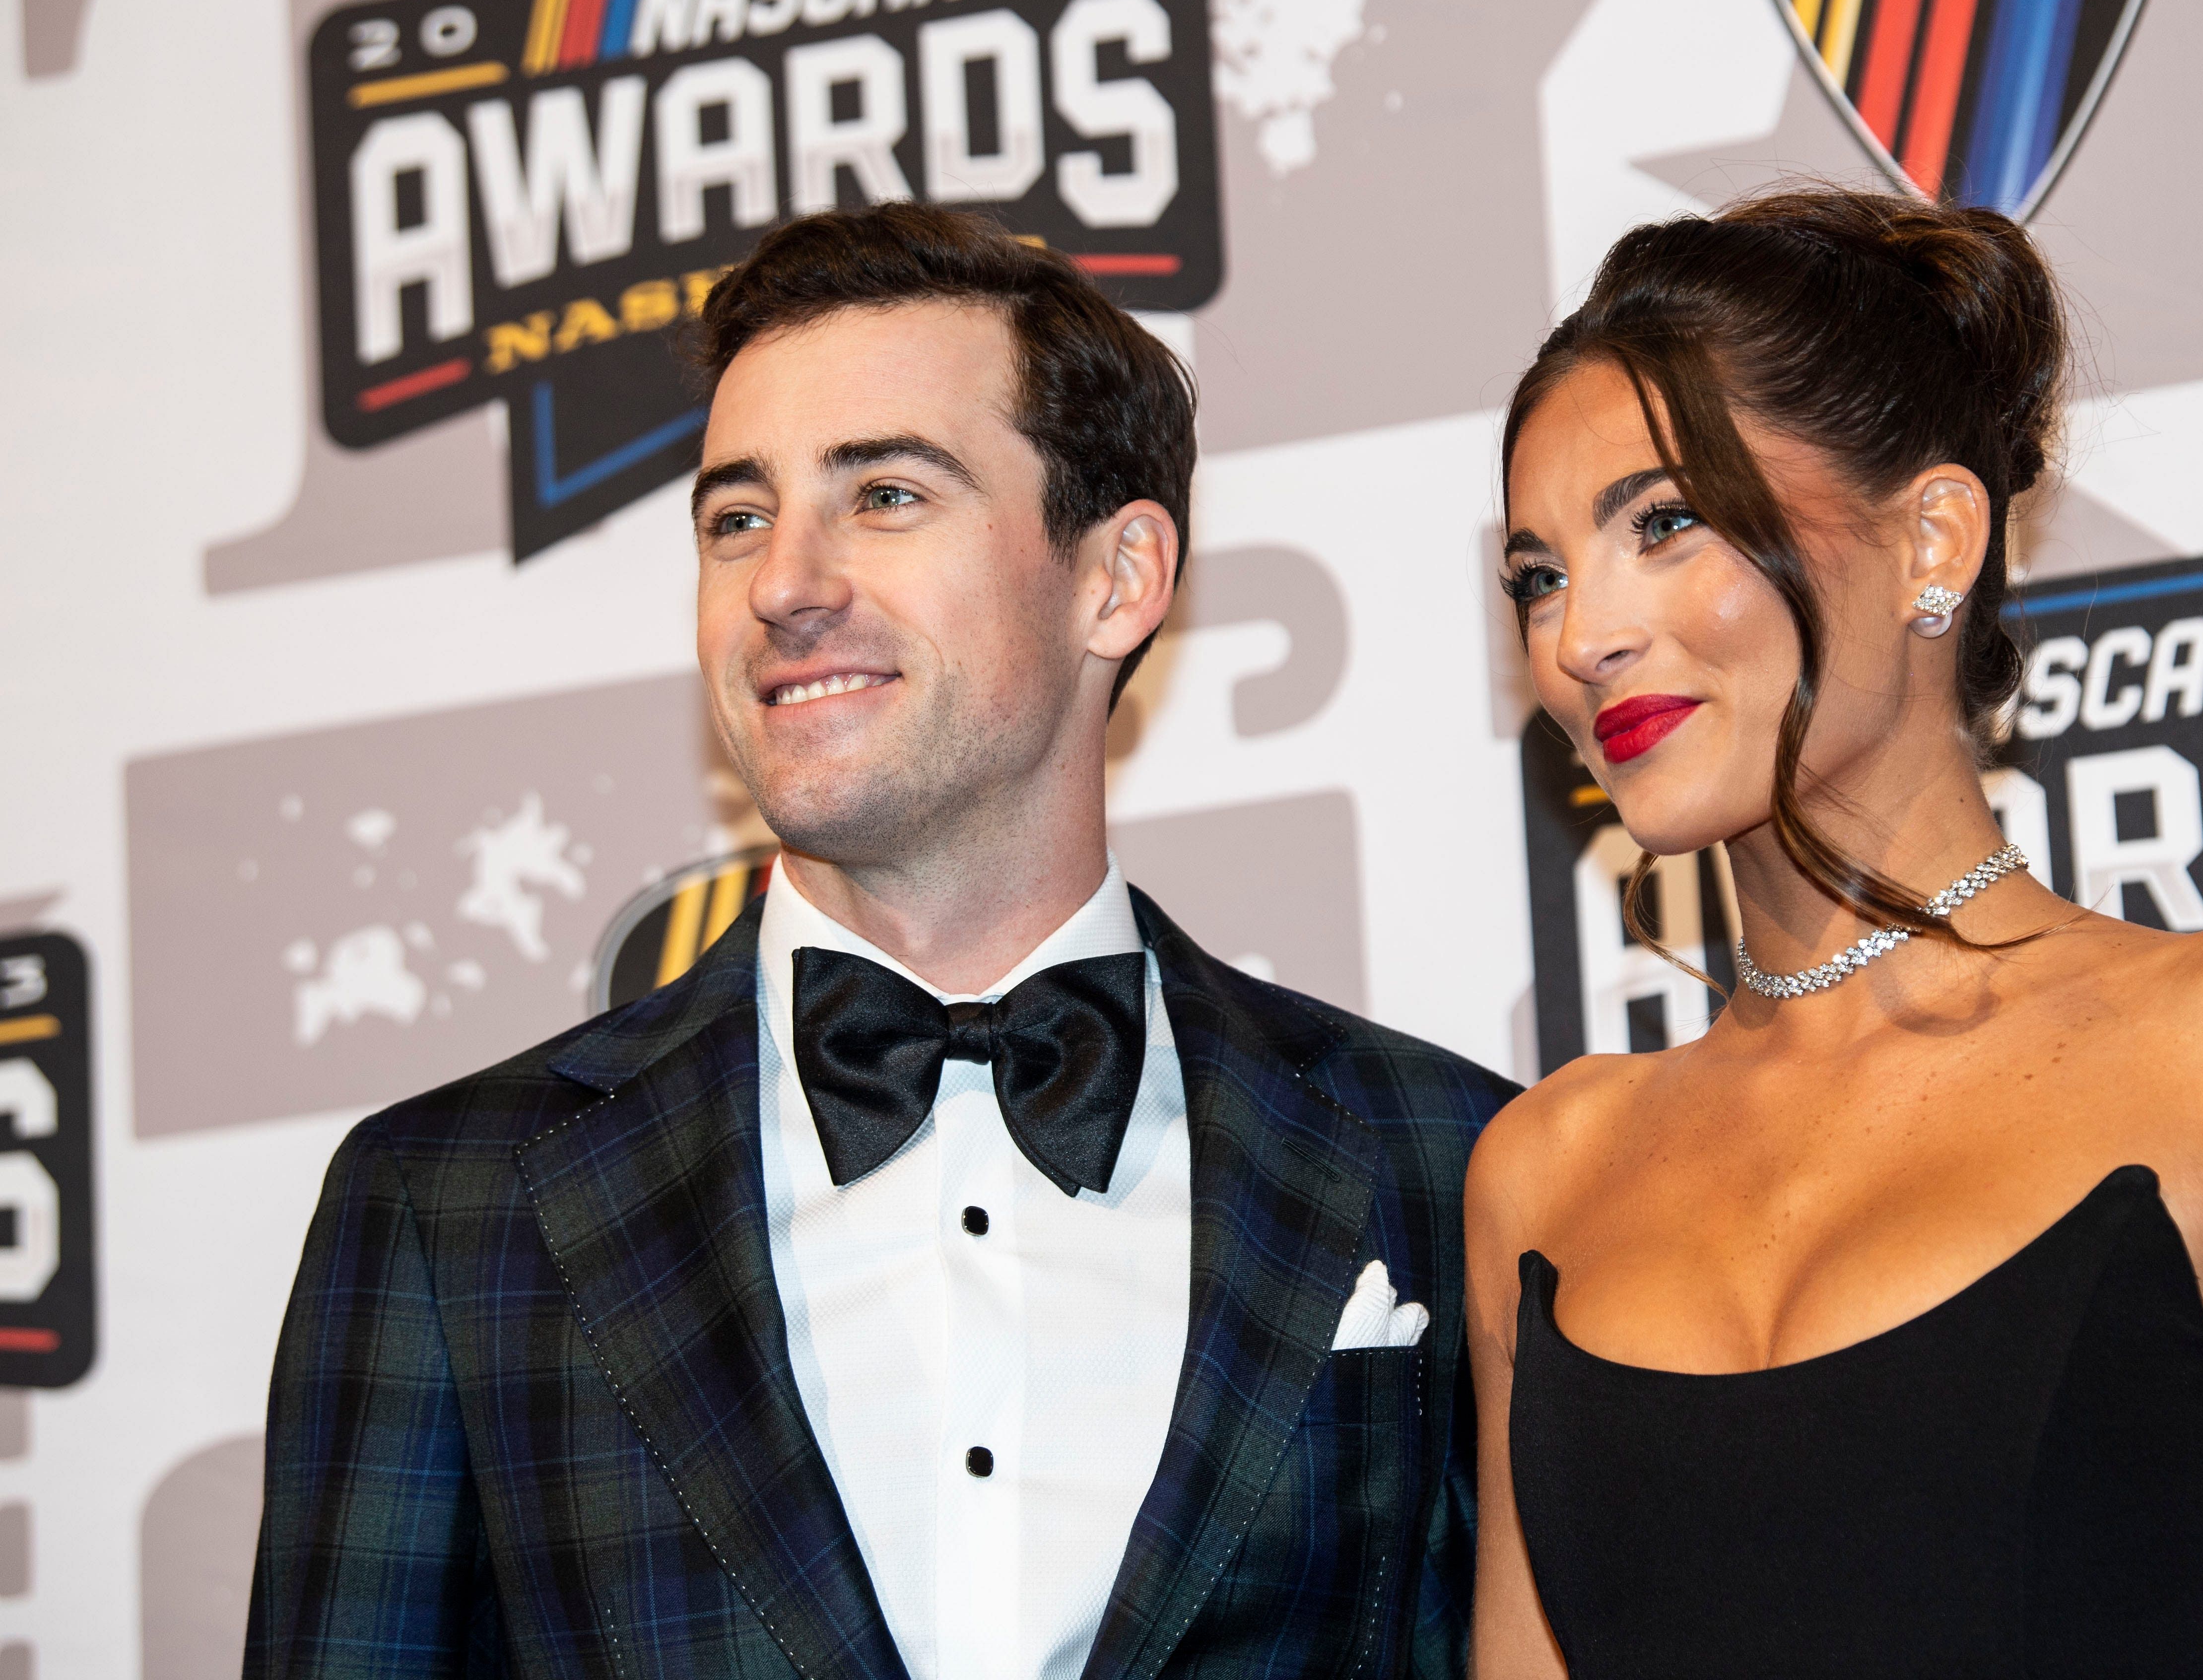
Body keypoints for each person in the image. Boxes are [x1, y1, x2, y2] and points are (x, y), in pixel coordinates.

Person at [246, 202, 1514, 1680]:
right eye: (737, 519)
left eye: (887, 497)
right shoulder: (454, 1206)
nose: (785, 583)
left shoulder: (1442, 1157)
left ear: (1118, 577)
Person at [1465, 186, 2203, 1679]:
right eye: (1538, 577)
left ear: (1933, 541)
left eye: (1666, 523)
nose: (1581, 637)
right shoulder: (1545, 1170)